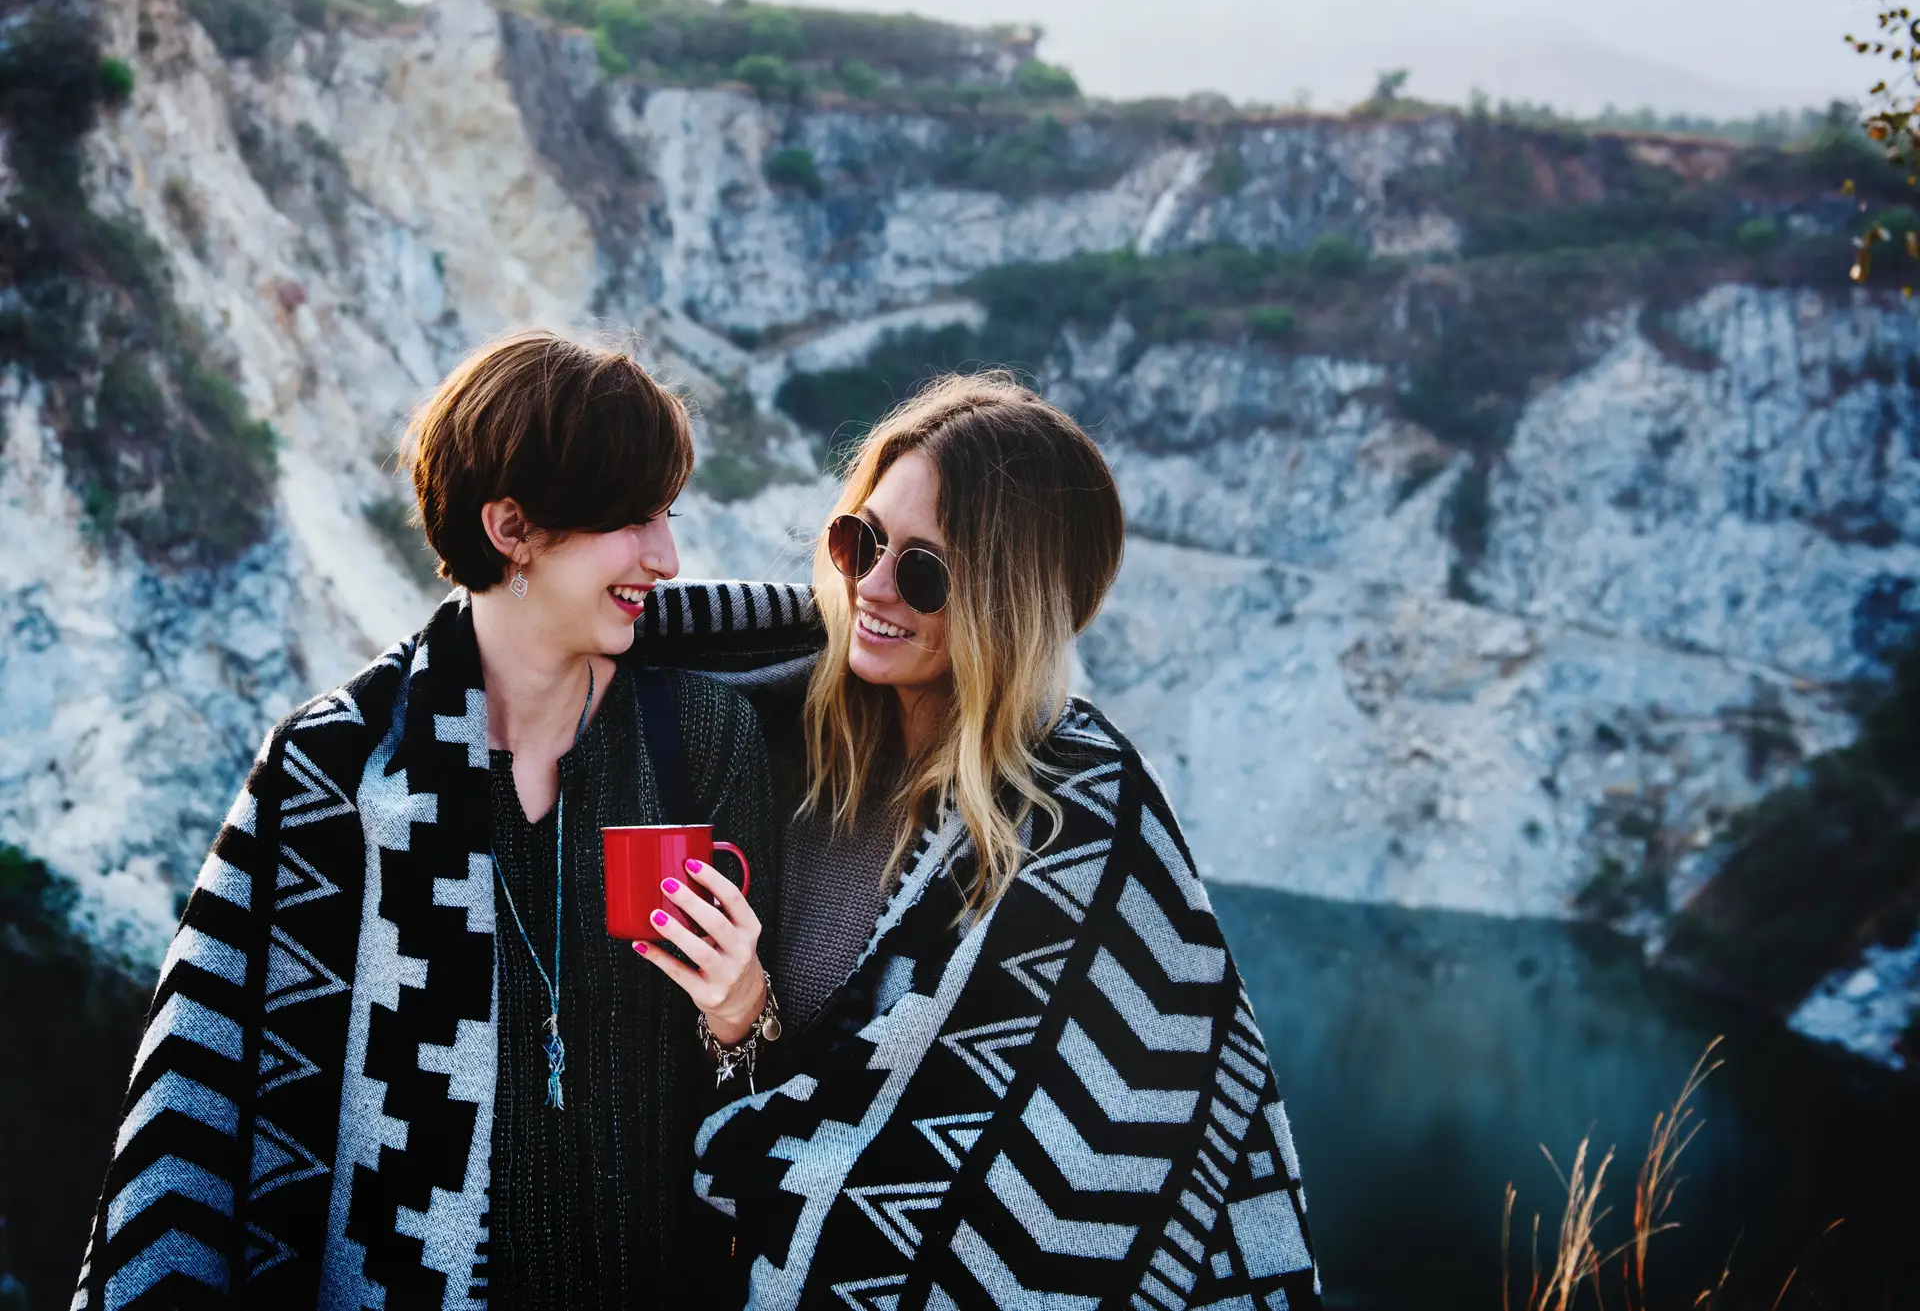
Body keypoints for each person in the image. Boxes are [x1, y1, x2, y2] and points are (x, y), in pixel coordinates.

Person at [75, 330, 778, 1310]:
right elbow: (220, 1102)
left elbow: (786, 1086)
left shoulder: (701, 737)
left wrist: (744, 1012)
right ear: (511, 527)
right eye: (632, 519)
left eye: (668, 514)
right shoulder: (337, 767)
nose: (666, 556)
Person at [640, 374, 1323, 1309]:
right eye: (861, 539)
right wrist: (738, 1025)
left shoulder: (1083, 830)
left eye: (923, 569)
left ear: (1013, 599)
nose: (873, 587)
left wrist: (746, 1023)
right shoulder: (772, 726)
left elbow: (1133, 1197)